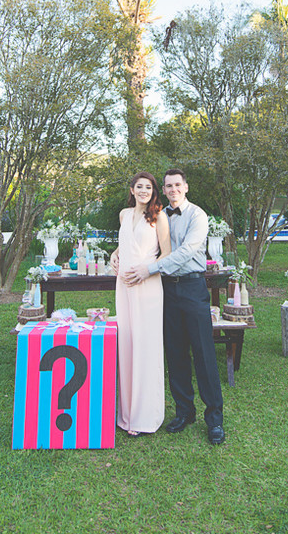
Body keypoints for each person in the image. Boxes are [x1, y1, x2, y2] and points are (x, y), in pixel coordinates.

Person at [120, 169, 225, 445]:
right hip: (166, 289)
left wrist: (150, 268)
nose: (173, 189)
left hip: (191, 286)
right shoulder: (157, 214)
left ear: (186, 187)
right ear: (163, 190)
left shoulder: (197, 216)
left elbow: (188, 251)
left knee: (203, 353)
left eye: (178, 185)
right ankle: (184, 412)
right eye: (168, 186)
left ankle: (214, 418)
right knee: (175, 352)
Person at [110, 172, 171, 436]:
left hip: (147, 286)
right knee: (126, 345)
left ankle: (145, 416)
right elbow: (124, 244)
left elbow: (167, 254)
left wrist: (147, 270)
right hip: (123, 287)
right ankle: (126, 414)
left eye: (149, 187)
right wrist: (115, 254)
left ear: (153, 191)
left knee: (145, 348)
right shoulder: (124, 214)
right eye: (139, 187)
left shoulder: (159, 216)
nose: (144, 191)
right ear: (132, 190)